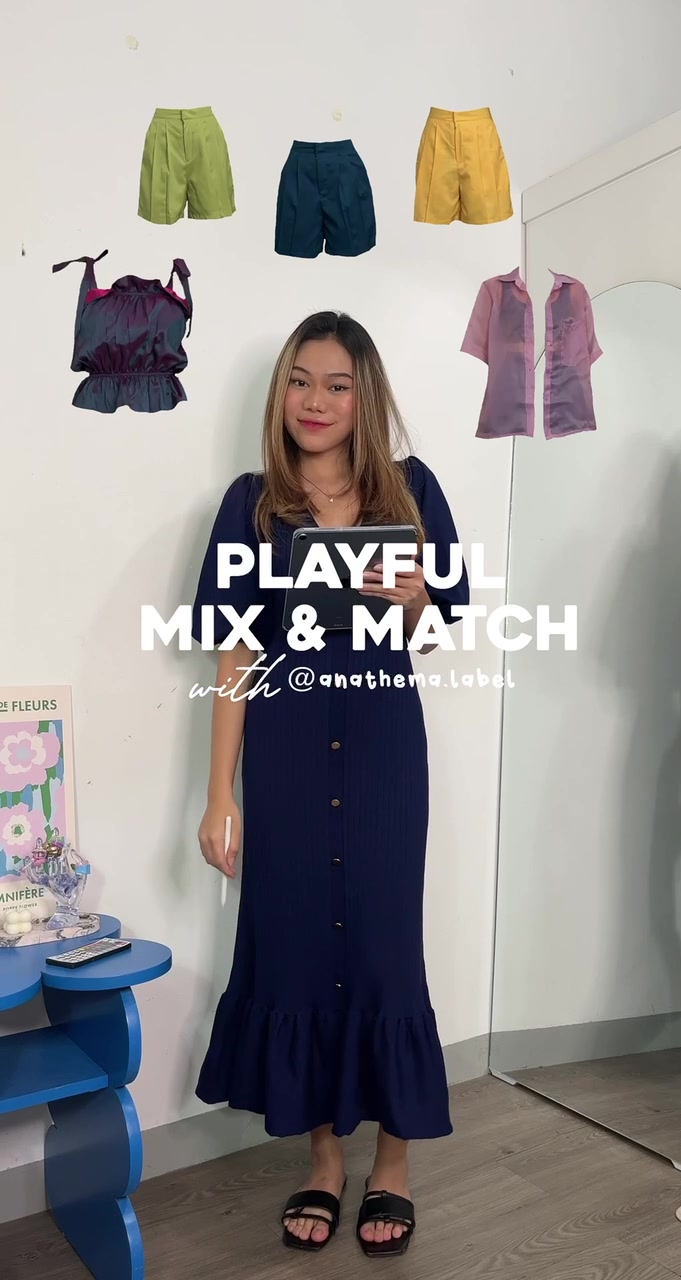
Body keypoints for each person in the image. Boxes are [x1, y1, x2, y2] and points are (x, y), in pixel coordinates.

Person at [191, 311, 469, 1257]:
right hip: (288, 756)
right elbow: (235, 652)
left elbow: (430, 633)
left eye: (337, 384)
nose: (316, 401)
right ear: (282, 393)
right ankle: (323, 1159)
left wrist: (418, 602)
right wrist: (220, 793)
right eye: (301, 382)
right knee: (298, 943)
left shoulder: (412, 491)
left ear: (364, 395)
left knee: (388, 947)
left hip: (385, 749)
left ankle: (393, 1164)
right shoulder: (251, 506)